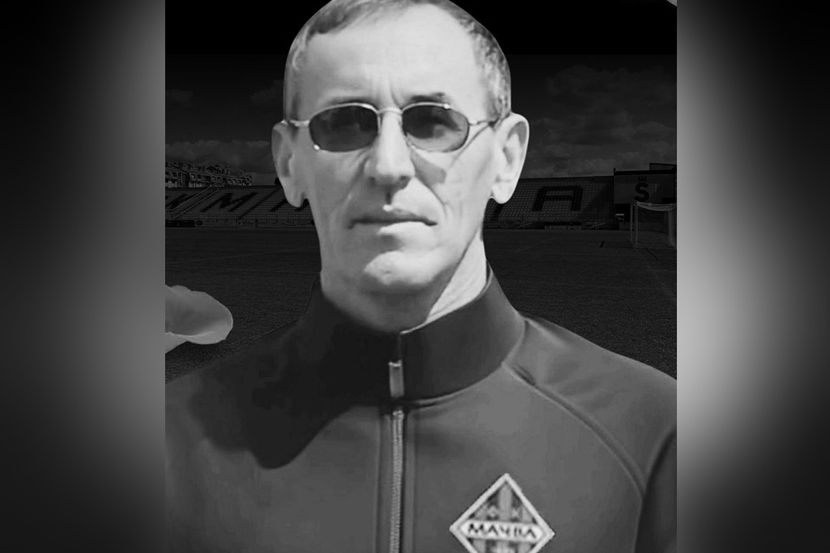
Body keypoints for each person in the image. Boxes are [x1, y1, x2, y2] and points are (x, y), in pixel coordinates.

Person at [165, 1, 676, 552]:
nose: (389, 165)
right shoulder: (167, 442)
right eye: (344, 124)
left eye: (434, 122)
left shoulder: (653, 433)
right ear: (289, 165)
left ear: (507, 158)